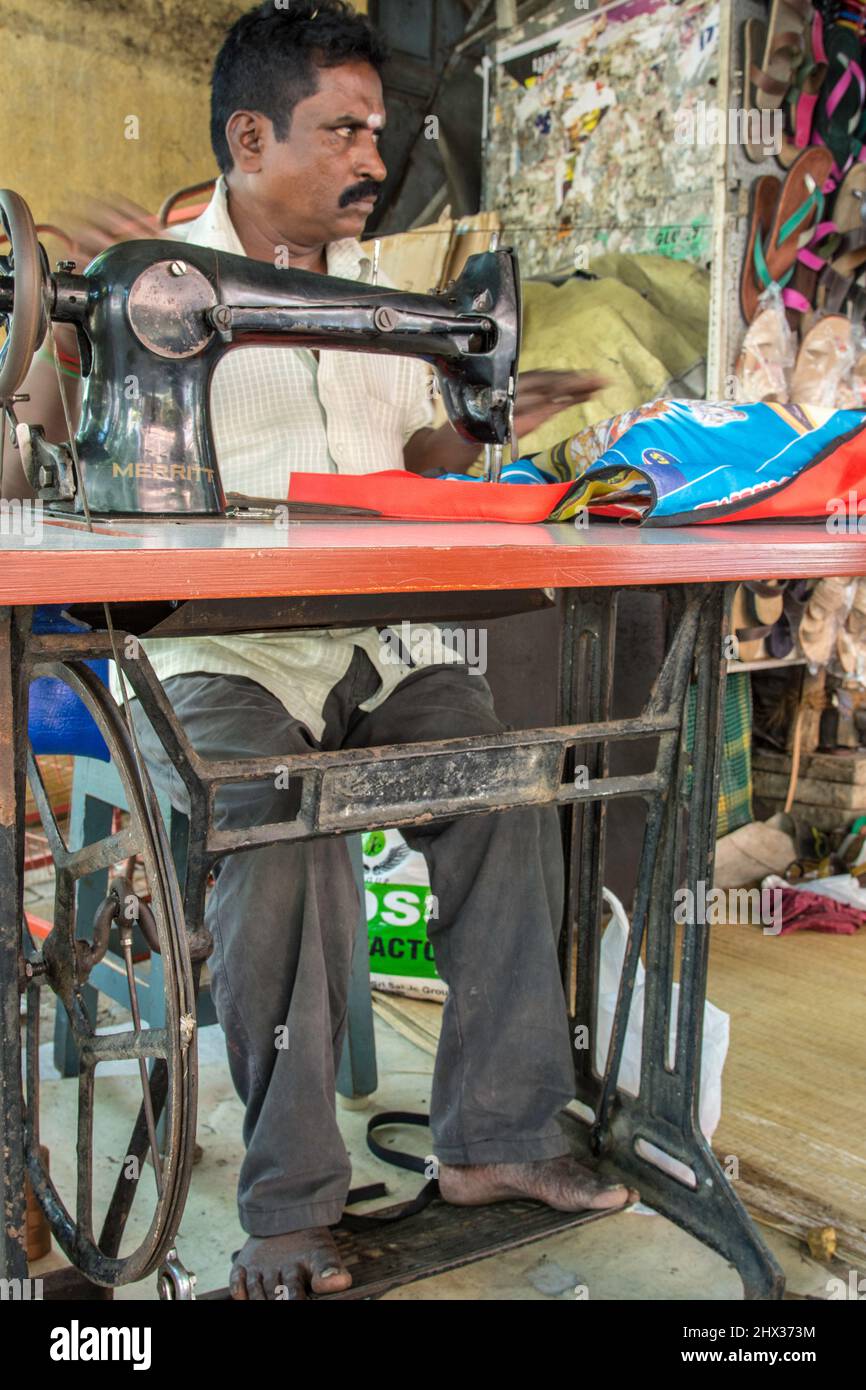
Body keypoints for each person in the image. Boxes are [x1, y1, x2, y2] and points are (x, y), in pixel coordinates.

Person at [18, 0, 637, 1300]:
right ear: (251, 136)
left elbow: (418, 455)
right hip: (210, 657)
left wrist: (484, 419)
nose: (373, 157)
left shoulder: (375, 297)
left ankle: (498, 1138)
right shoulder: (150, 280)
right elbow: (56, 445)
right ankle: (289, 1209)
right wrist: (53, 360)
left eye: (378, 128)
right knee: (281, 844)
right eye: (342, 130)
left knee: (503, 779)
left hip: (366, 644)